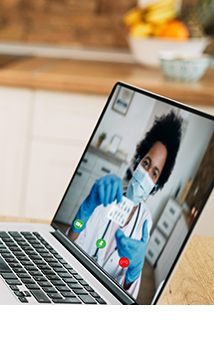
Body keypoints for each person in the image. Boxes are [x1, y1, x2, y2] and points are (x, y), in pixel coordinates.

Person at [67, 111, 183, 298]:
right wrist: (85, 211)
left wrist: (134, 272)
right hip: (73, 280)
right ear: (137, 162)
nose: (146, 174)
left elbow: (126, 295)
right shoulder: (105, 195)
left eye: (154, 173)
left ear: (156, 186)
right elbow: (70, 245)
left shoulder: (144, 222)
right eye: (146, 163)